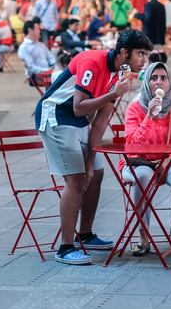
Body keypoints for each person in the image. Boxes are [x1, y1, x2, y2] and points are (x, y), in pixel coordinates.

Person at [35, 29, 154, 265]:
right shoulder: (92, 61)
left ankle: (86, 234)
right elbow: (79, 107)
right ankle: (65, 248)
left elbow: (101, 122)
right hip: (56, 116)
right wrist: (112, 93)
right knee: (76, 180)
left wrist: (90, 162)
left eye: (146, 55)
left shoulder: (120, 74)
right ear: (124, 52)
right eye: (140, 54)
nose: (144, 60)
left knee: (96, 174)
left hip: (79, 121)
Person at [121, 60, 171, 256]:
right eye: (154, 78)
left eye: (163, 78)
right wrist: (149, 116)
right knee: (142, 177)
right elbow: (131, 146)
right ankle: (143, 238)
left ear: (169, 82)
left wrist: (170, 160)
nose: (159, 82)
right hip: (141, 161)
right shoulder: (135, 108)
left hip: (169, 161)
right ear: (146, 82)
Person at [18, 20, 56, 86]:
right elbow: (31, 67)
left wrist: (53, 65)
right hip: (36, 76)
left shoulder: (41, 44)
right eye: (37, 29)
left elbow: (51, 58)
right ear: (30, 30)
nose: (40, 31)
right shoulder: (24, 47)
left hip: (48, 73)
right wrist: (47, 70)